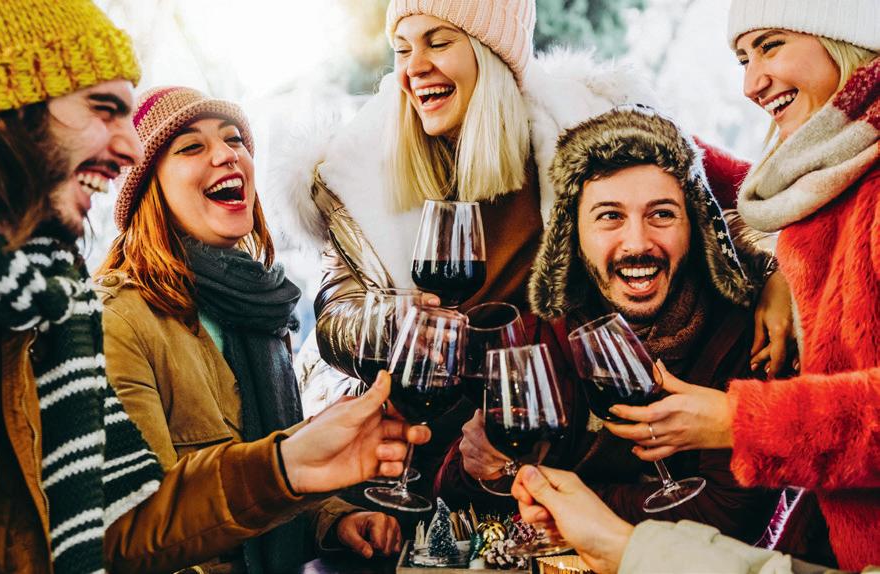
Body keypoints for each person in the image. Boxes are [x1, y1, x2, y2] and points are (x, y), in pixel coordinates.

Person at [0, 2, 428, 573]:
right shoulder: (102, 315)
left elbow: (126, 521)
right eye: (103, 109)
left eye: (234, 140)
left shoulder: (52, 308)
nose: (130, 147)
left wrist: (296, 475)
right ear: (2, 109)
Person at [273, 0, 793, 486]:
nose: (415, 68)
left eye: (439, 42)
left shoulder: (583, 119)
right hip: (422, 442)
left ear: (492, 51)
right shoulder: (360, 170)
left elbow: (720, 204)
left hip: (548, 422)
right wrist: (397, 324)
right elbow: (333, 315)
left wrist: (778, 269)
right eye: (403, 49)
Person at [517, 1, 879, 571]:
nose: (751, 84)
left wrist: (739, 421)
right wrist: (782, 272)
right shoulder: (823, 186)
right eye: (743, 58)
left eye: (771, 45)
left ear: (843, 37)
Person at [434, 105, 779, 541]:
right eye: (610, 216)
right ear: (573, 235)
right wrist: (478, 469)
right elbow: (456, 497)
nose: (637, 243)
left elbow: (731, 513)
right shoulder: (540, 333)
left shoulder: (746, 330)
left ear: (694, 226)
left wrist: (563, 496)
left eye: (662, 214)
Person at [96, 86, 402, 573]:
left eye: (234, 139)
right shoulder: (119, 322)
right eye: (191, 147)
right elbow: (140, 527)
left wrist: (334, 519)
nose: (226, 154)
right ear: (147, 187)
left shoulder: (258, 306)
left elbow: (272, 468)